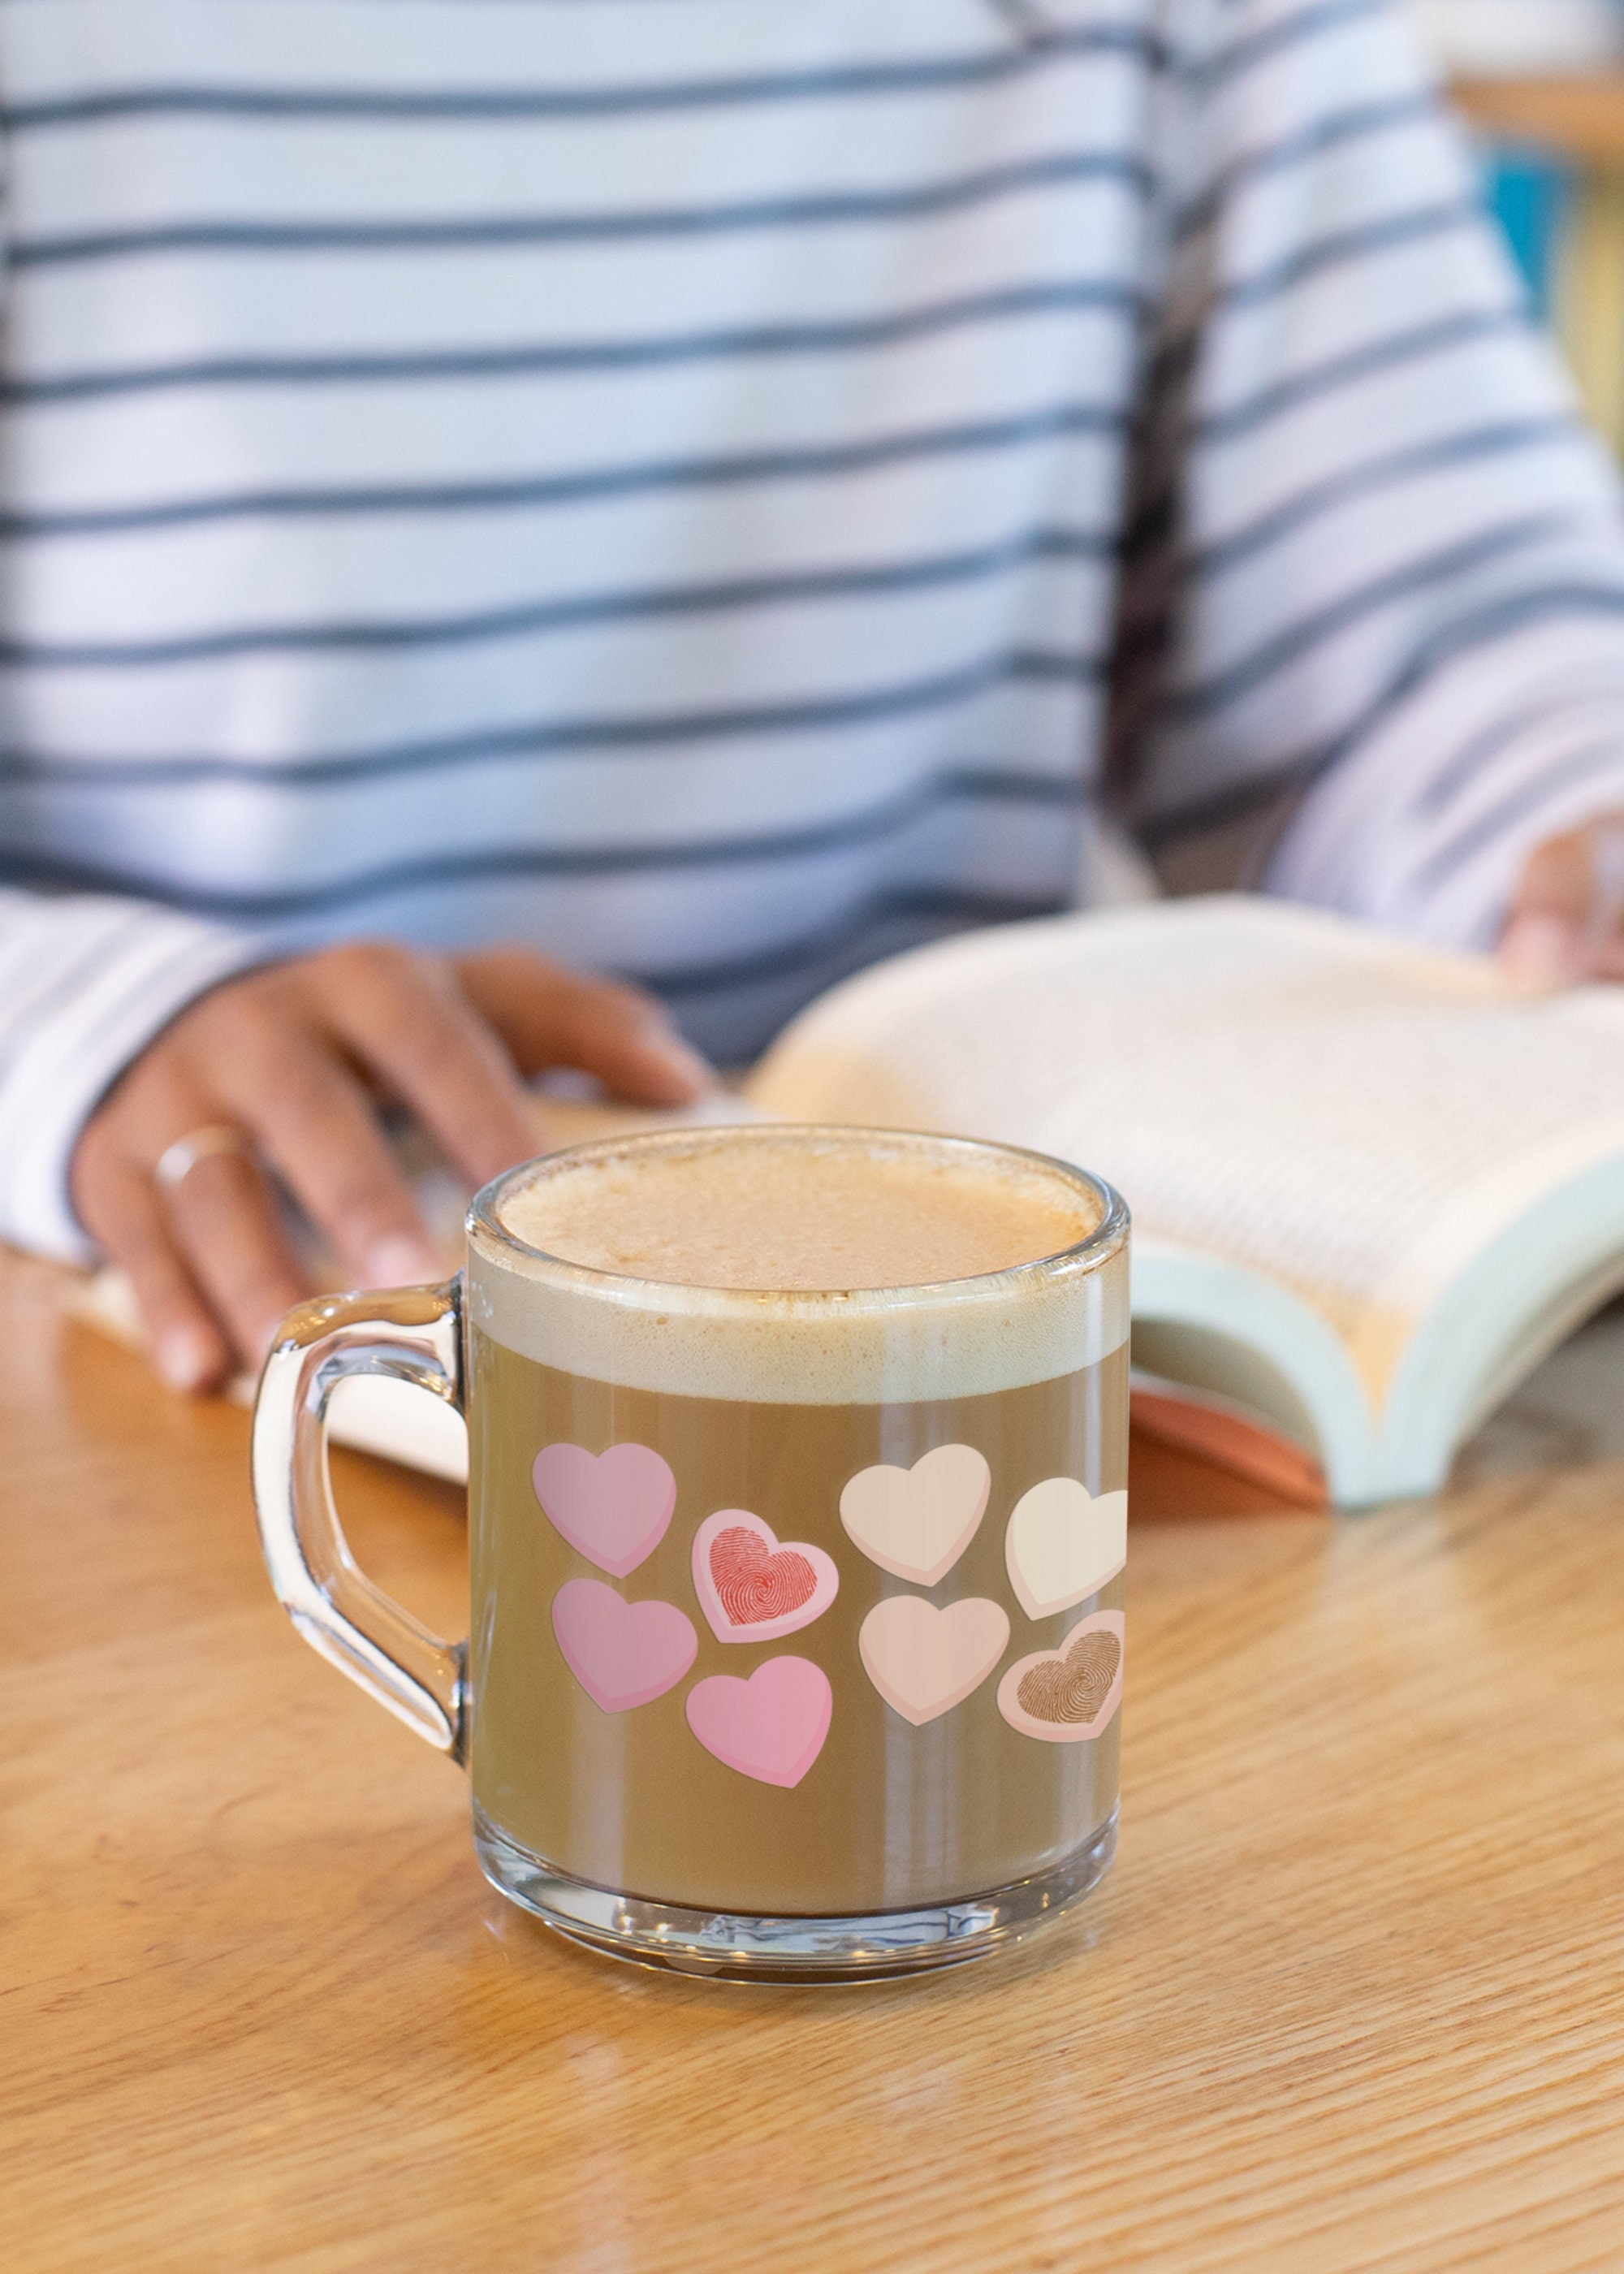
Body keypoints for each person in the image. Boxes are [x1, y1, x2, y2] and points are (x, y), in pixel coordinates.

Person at [3, 0, 1623, 1391]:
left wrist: (1563, 814)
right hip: (188, 1343)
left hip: (968, 1363)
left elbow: (1428, 637)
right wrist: (86, 1025)